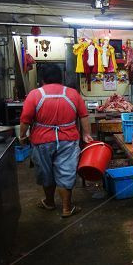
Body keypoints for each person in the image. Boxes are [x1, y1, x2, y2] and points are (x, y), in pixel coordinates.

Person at [19, 64, 92, 218]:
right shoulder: (72, 94)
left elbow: (25, 119)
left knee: (45, 172)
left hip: (42, 140)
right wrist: (86, 134)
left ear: (42, 79)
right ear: (61, 78)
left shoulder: (34, 94)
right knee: (66, 171)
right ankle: (66, 208)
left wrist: (22, 135)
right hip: (68, 139)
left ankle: (50, 202)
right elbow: (84, 116)